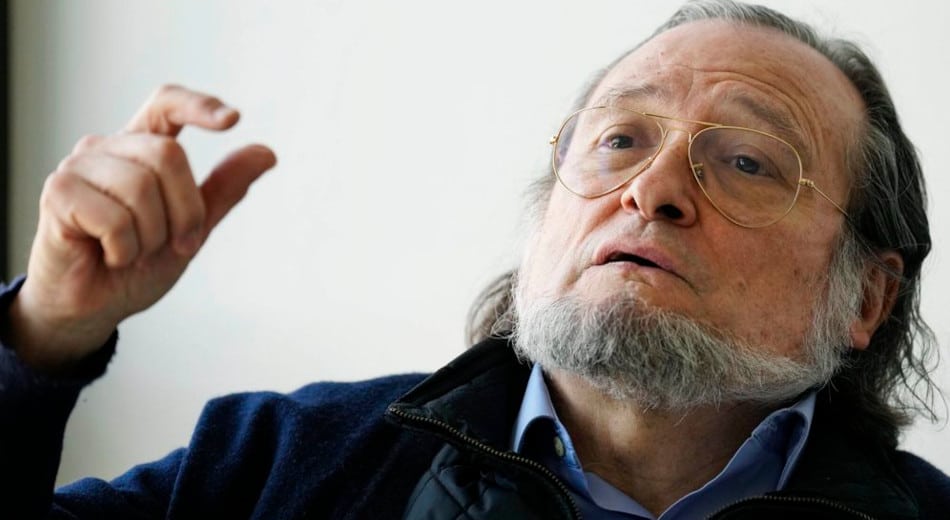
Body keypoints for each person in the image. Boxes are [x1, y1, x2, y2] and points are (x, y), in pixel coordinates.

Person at [1, 0, 948, 518]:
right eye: (620, 140)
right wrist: (43, 334)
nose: (653, 189)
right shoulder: (280, 463)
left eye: (746, 161)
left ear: (866, 297)